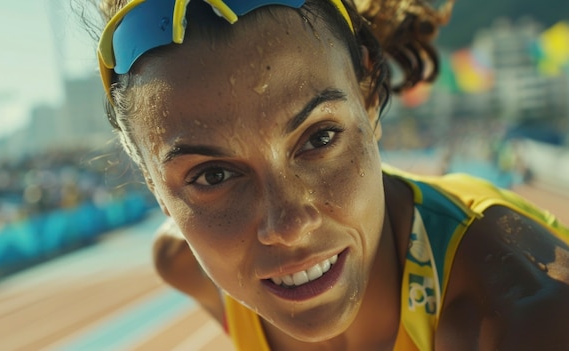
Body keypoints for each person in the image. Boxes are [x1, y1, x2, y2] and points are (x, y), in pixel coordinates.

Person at [89, 0, 569, 349]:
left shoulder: (522, 319)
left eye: (319, 139)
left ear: (369, 96)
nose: (288, 226)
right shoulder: (184, 263)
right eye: (213, 176)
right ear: (153, 183)